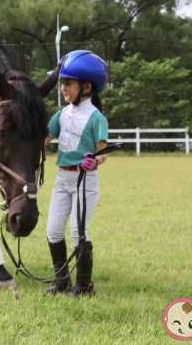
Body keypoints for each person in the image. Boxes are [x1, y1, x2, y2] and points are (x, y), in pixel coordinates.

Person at [45, 50, 109, 297]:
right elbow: (45, 138)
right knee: (53, 230)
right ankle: (62, 282)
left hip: (85, 180)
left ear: (86, 86)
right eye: (63, 83)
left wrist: (95, 161)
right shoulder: (61, 114)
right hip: (62, 179)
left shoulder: (96, 118)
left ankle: (84, 286)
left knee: (78, 232)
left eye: (68, 83)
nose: (63, 88)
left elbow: (103, 151)